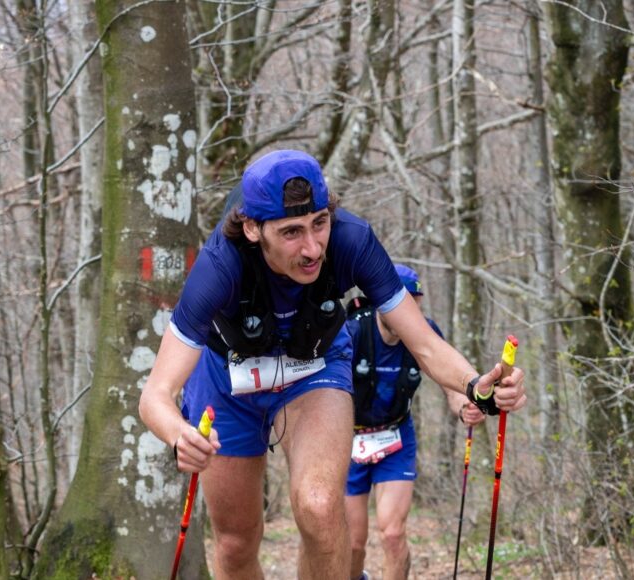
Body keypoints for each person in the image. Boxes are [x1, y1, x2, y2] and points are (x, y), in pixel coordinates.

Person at [138, 149, 527, 580]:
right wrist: (178, 435)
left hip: (314, 366)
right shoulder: (219, 266)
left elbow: (425, 344)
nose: (311, 248)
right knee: (235, 542)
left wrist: (477, 385)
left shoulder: (352, 241)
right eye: (291, 232)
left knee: (321, 507)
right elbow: (155, 395)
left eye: (319, 224)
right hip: (227, 377)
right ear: (252, 229)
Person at [344, 264, 485, 580]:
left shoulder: (425, 333)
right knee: (352, 543)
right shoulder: (354, 332)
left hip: (395, 436)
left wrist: (465, 407)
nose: (410, 314)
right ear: (382, 302)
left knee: (393, 534)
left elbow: (450, 382)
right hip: (348, 440)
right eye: (402, 303)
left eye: (415, 305)